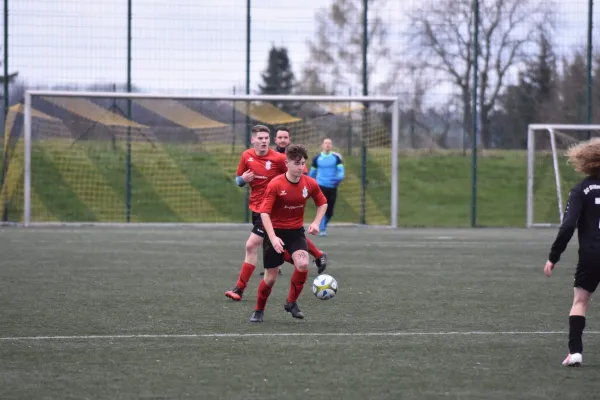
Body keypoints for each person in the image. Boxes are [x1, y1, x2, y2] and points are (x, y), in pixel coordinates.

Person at [249, 144, 328, 323]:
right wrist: (273, 237)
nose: (301, 167)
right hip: (274, 231)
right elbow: (264, 213)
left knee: (303, 264)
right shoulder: (275, 184)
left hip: (295, 232)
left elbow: (322, 203)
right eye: (297, 163)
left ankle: (291, 303)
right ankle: (259, 310)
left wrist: (316, 223)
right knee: (271, 277)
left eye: (303, 163)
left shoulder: (309, 183)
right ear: (287, 163)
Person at [544, 137, 600, 367]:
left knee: (580, 300)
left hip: (591, 253)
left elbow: (568, 226)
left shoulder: (580, 190)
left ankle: (575, 352)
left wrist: (553, 257)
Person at [224, 125, 287, 301]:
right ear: (253, 140)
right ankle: (304, 257)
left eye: (267, 138)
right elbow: (238, 180)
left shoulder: (279, 159)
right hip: (256, 209)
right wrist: (243, 179)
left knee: (251, 246)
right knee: (275, 246)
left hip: (271, 211)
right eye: (260, 138)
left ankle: (239, 289)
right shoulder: (247, 156)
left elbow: (296, 177)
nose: (264, 141)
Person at [270, 126, 328, 272]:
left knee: (289, 232)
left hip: (288, 201)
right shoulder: (270, 156)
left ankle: (280, 262)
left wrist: (297, 193)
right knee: (276, 235)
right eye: (280, 137)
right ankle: (316, 255)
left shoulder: (295, 157)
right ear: (275, 139)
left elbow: (304, 177)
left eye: (285, 137)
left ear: (289, 139)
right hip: (272, 200)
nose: (283, 140)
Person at [308, 138, 345, 236]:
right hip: (320, 186)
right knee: (322, 206)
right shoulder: (317, 158)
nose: (327, 145)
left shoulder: (336, 157)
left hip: (332, 186)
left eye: (329, 143)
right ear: (322, 145)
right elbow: (312, 173)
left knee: (330, 211)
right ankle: (323, 229)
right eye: (326, 143)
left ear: (331, 146)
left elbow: (341, 170)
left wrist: (339, 178)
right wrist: (309, 183)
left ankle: (322, 224)